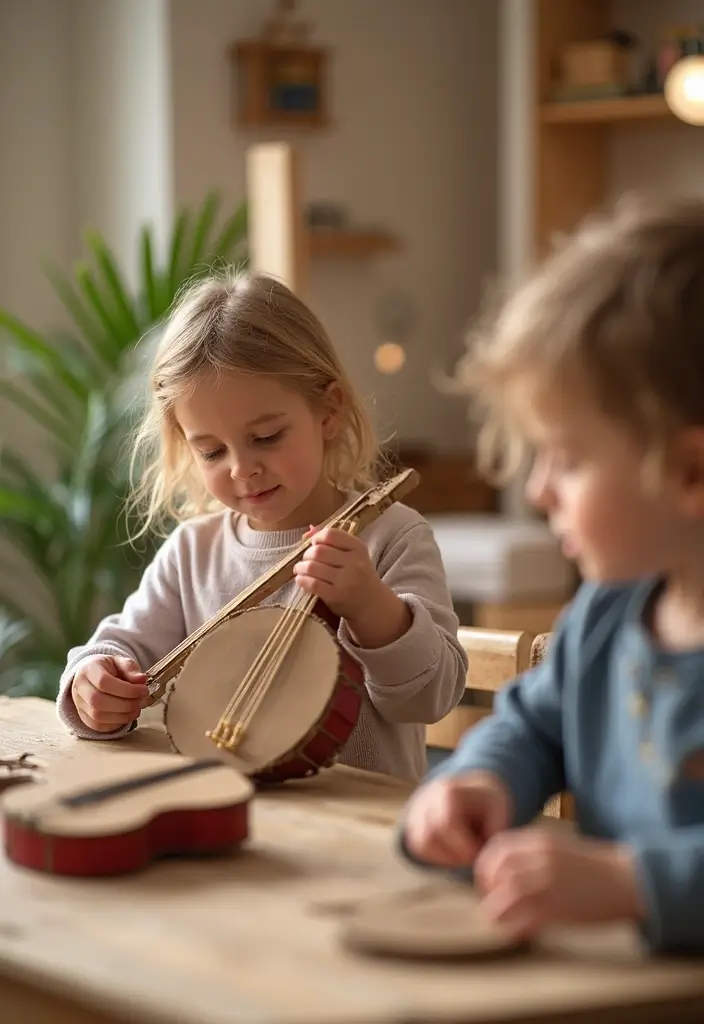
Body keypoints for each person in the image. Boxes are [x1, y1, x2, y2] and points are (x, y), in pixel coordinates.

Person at [400, 195, 704, 951]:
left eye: (566, 460)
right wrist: (481, 784)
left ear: (692, 471)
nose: (537, 492)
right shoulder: (607, 615)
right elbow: (534, 727)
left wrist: (634, 884)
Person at [56, 271, 467, 783]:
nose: (241, 468)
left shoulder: (391, 535)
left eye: (267, 436)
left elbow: (432, 697)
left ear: (329, 412)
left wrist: (369, 605)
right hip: (226, 819)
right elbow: (120, 647)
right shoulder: (193, 551)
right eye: (210, 450)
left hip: (361, 832)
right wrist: (94, 684)